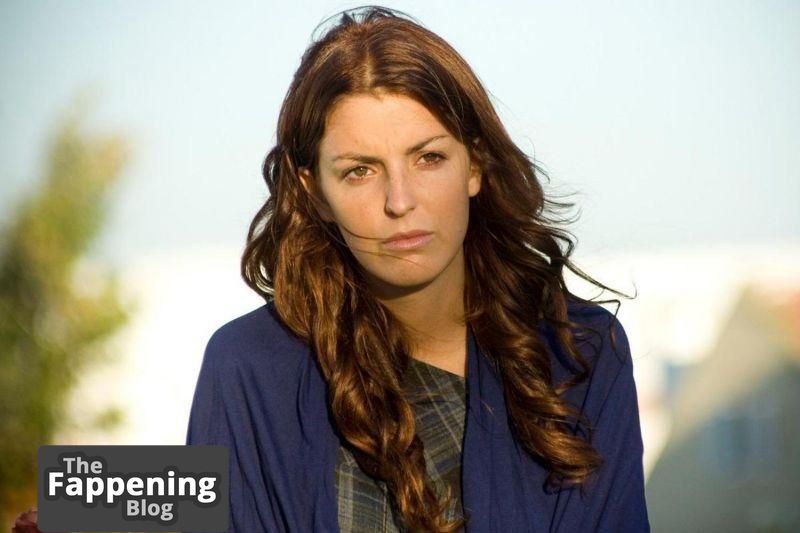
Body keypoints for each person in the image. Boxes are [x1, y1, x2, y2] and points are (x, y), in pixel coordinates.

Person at [186, 5, 650, 532]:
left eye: (428, 158)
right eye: (360, 171)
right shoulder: (247, 368)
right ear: (315, 193)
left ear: (474, 164)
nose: (400, 201)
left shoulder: (579, 353)